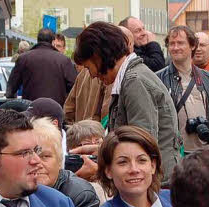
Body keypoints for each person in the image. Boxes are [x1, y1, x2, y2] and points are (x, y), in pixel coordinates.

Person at [73, 21, 181, 179]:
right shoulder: (132, 78)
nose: (92, 75)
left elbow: (141, 148)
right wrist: (103, 150)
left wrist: (100, 170)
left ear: (98, 56)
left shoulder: (134, 82)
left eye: (89, 68)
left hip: (155, 183)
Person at [157, 26, 209, 153]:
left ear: (192, 46)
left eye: (180, 43)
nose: (175, 47)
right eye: (172, 44)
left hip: (208, 153)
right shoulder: (158, 79)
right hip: (174, 154)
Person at [31, 117, 100, 207]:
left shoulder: (80, 194)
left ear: (60, 161)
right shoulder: (13, 191)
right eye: (30, 156)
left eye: (45, 156)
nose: (37, 163)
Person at [5, 27, 79, 104]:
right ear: (53, 42)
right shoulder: (64, 61)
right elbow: (75, 87)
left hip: (32, 108)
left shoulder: (23, 59)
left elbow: (11, 89)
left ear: (38, 40)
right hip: (56, 108)